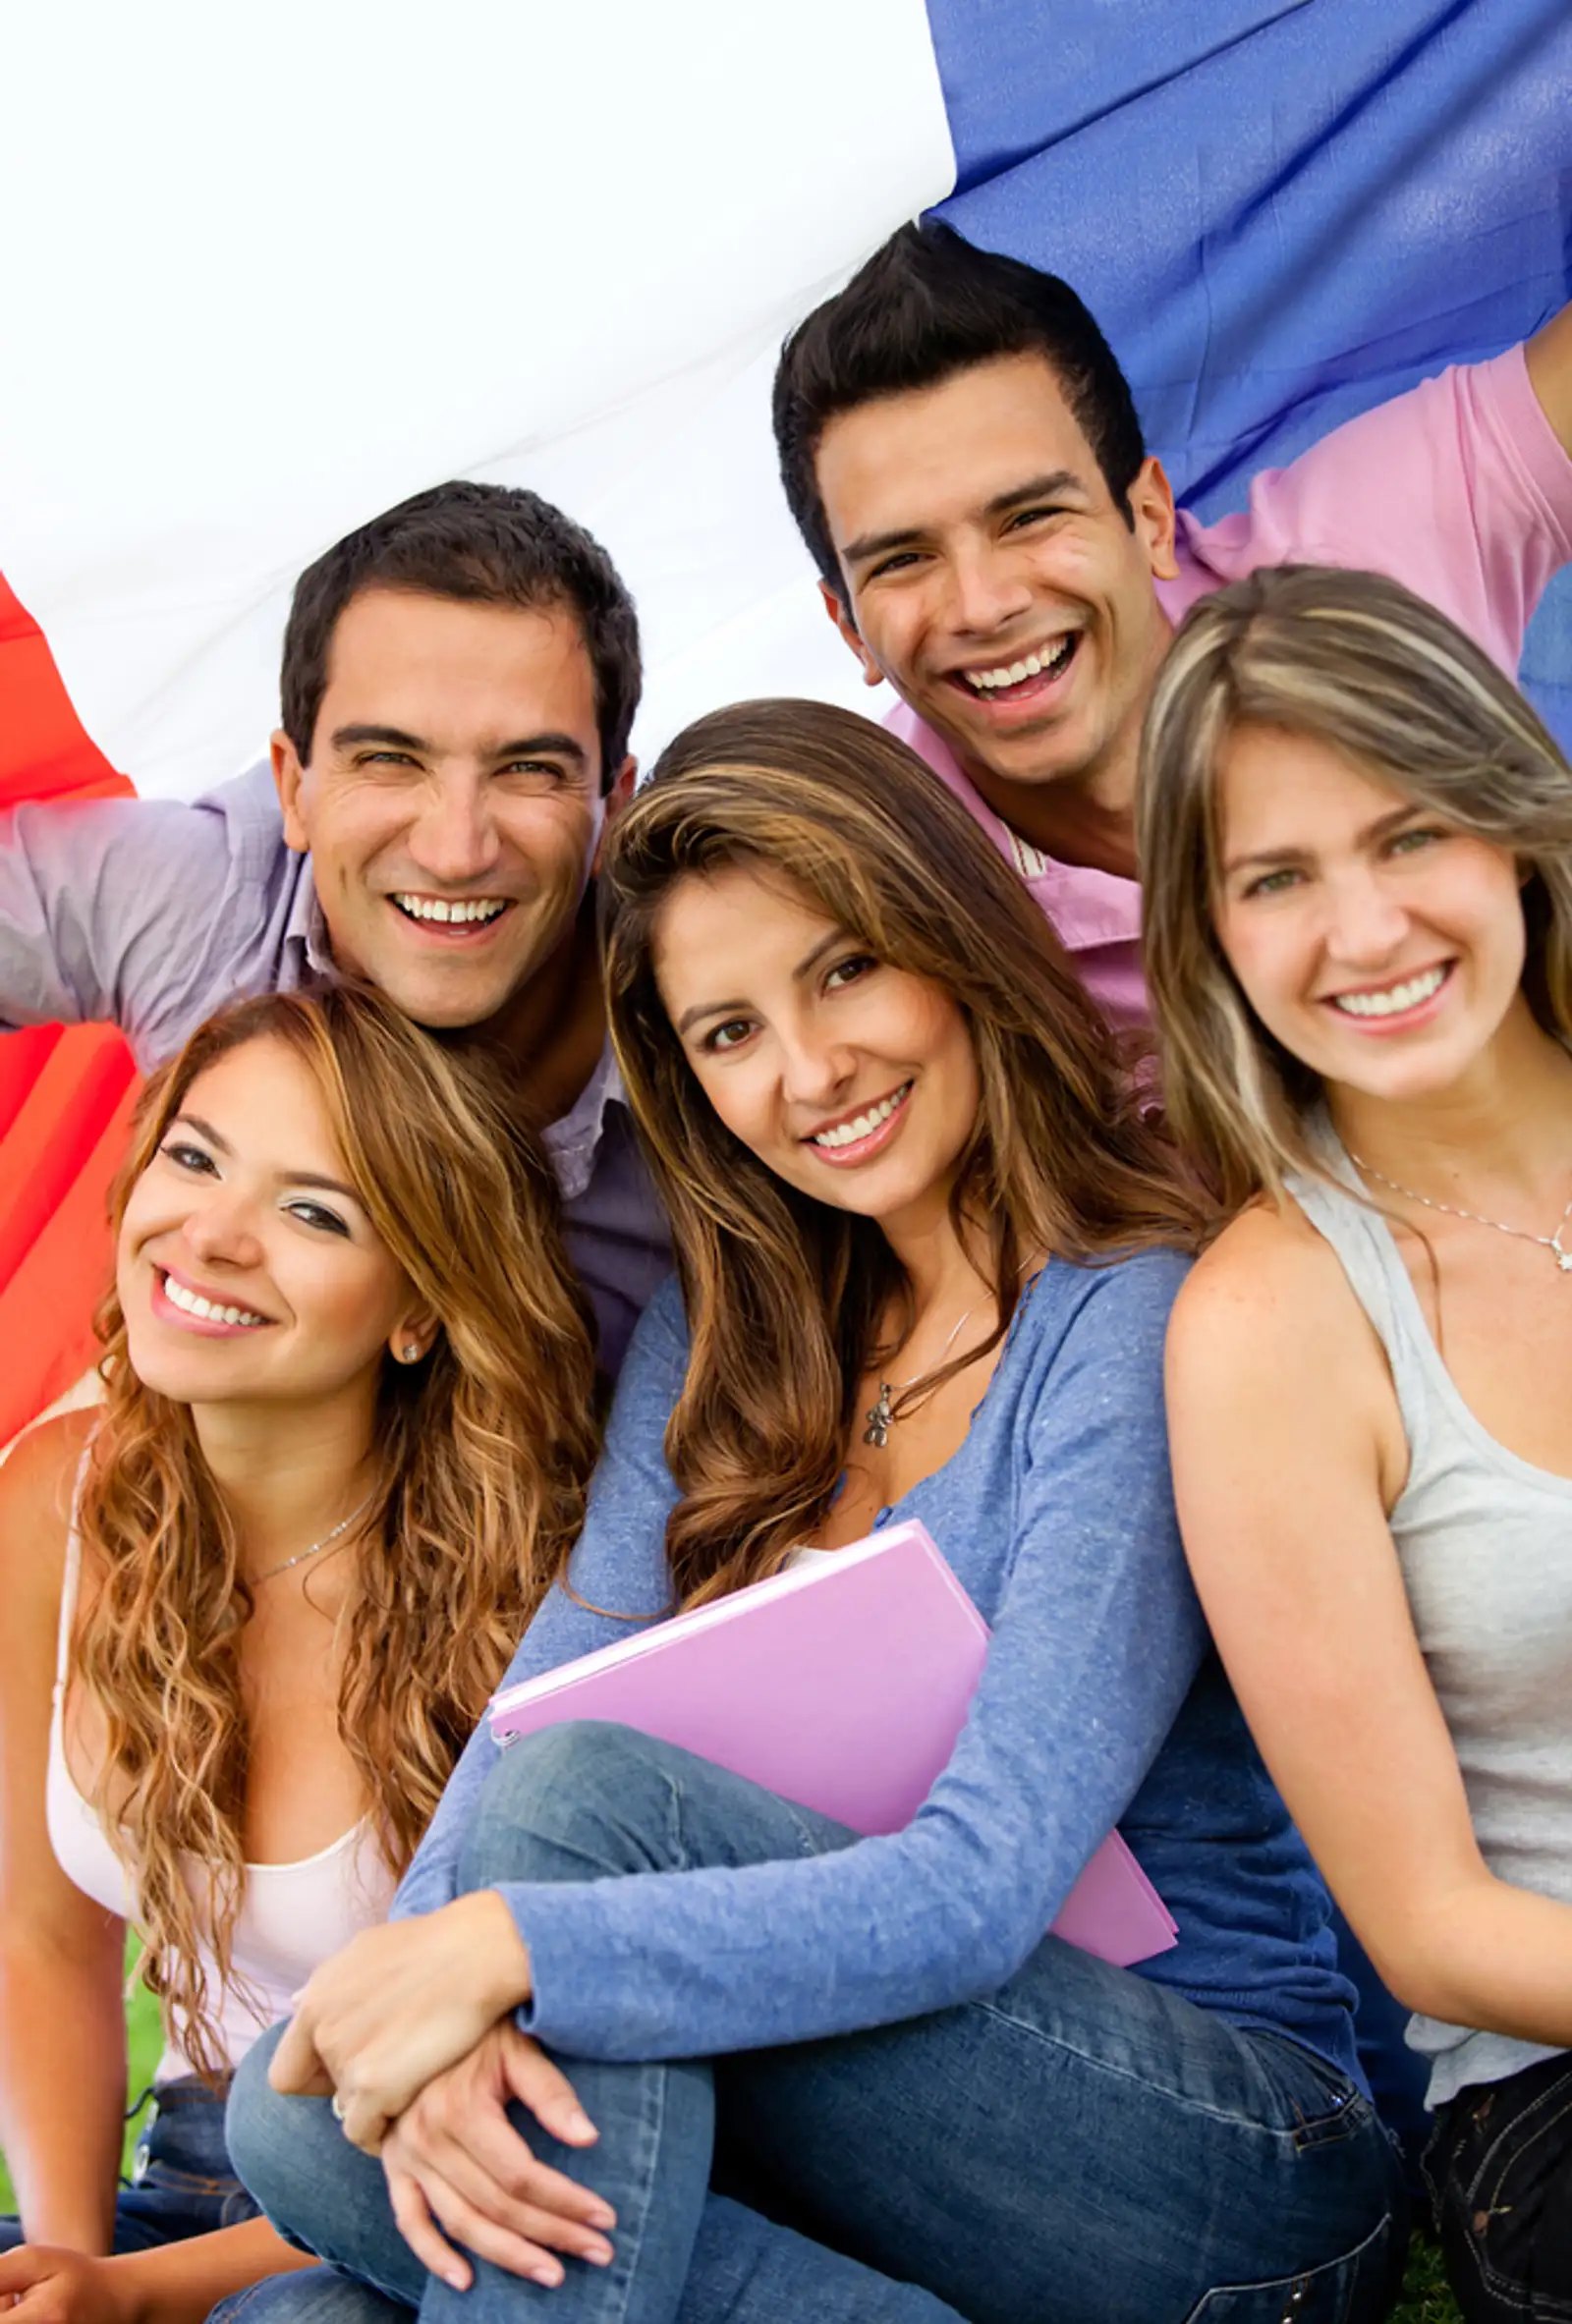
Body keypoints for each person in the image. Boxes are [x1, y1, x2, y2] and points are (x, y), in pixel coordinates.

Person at [226, 701, 1406, 2324]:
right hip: (855, 2125)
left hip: (1209, 2148)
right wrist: (434, 2004)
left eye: (846, 967)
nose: (809, 1071)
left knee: (575, 1835)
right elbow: (517, 1734)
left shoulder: (1130, 1316)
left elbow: (985, 1883)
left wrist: (510, 1955)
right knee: (298, 2120)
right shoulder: (724, 1350)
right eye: (727, 1033)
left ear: (952, 937)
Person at [0, 982, 600, 2324]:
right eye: (196, 1157)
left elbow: (557, 2112)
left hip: (406, 2199)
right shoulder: (55, 1497)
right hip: (178, 2164)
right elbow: (44, 1937)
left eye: (313, 1211)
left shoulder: (538, 1588)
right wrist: (65, 2261)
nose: (211, 1235)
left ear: (420, 1308)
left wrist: (138, 2295)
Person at [1138, 562, 1572, 2322]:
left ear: (1513, 824)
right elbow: (1430, 1925)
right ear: (1213, 933)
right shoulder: (1271, 1326)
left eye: (1409, 836)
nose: (1367, 929)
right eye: (1280, 880)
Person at [772, 219, 1572, 1033]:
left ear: (1150, 516)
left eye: (1031, 517)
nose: (982, 605)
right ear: (848, 626)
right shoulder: (869, 885)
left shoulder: (1364, 559)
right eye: (904, 559)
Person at [0, 481, 670, 1371]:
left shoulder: (722, 1012)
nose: (455, 850)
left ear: (612, 809)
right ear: (291, 787)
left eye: (527, 769)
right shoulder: (199, 900)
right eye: (390, 760)